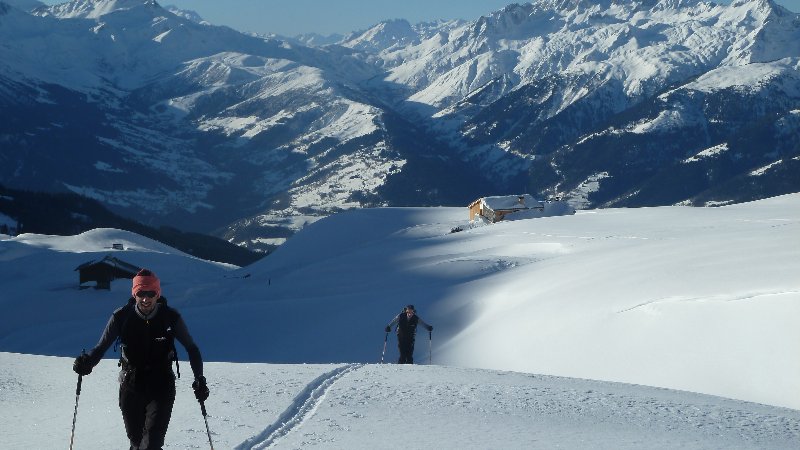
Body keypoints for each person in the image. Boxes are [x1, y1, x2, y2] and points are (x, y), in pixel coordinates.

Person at [72, 269, 208, 450]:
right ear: (134, 294)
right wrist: (87, 361)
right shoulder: (121, 317)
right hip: (131, 385)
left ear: (157, 294)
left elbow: (192, 348)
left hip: (161, 385)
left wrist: (199, 378)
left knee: (151, 444)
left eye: (150, 293)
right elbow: (100, 347)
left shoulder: (170, 317)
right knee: (136, 444)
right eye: (140, 293)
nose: (145, 299)